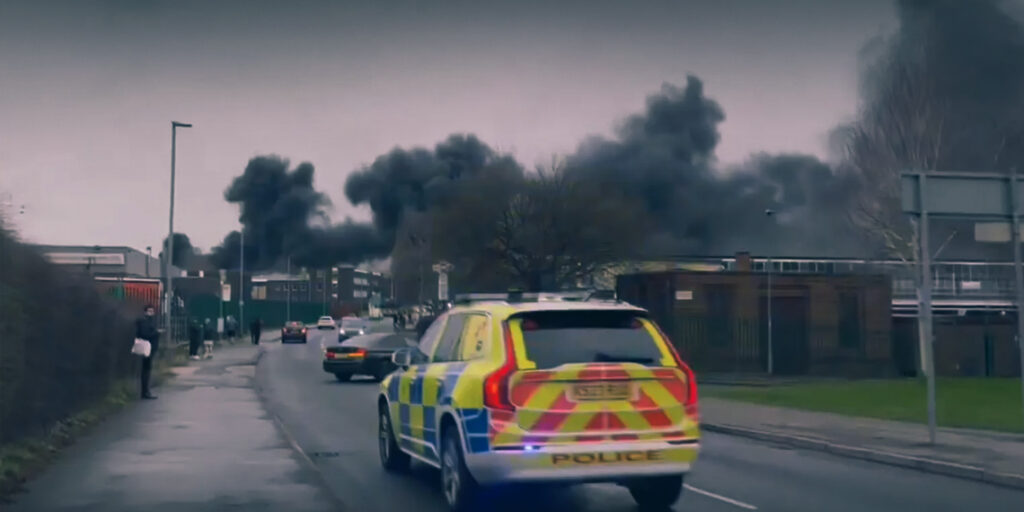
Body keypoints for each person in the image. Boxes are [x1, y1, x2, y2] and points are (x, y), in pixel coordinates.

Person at [135, 304, 160, 399]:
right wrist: (156, 332)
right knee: (146, 370)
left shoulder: (148, 321)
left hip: (149, 348)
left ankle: (146, 391)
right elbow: (145, 334)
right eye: (149, 311)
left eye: (152, 311)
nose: (151, 313)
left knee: (147, 370)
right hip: (146, 347)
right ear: (145, 312)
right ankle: (145, 392)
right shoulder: (143, 322)